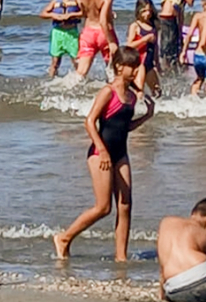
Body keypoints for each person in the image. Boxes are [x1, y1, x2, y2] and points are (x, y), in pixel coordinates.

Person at [54, 47, 154, 262]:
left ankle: (121, 256)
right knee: (103, 207)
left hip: (121, 153)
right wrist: (102, 150)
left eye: (137, 67)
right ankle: (64, 238)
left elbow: (123, 127)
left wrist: (146, 117)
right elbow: (89, 122)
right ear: (119, 66)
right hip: (100, 153)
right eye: (132, 67)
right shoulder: (108, 92)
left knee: (125, 205)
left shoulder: (131, 96)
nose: (136, 71)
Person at [76, 0, 118, 77]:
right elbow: (103, 21)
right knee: (113, 69)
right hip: (103, 33)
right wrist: (111, 42)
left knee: (81, 72)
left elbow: (85, 13)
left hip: (88, 33)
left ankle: (70, 91)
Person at [38, 0, 81, 78]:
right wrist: (53, 15)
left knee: (76, 60)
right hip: (58, 33)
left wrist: (71, 15)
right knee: (55, 61)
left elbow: (85, 12)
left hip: (72, 33)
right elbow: (43, 13)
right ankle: (51, 79)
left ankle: (80, 79)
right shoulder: (55, 1)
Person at [180, 0, 206, 96]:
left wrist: (183, 52)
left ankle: (192, 102)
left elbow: (189, 35)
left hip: (198, 55)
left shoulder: (198, 16)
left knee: (199, 79)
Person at [159, 0, 198, 69]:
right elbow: (190, 2)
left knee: (171, 43)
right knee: (168, 44)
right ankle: (167, 65)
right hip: (167, 18)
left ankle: (170, 64)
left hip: (170, 18)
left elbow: (184, 6)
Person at [126, 0, 161, 96]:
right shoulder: (135, 26)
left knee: (157, 92)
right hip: (139, 62)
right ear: (138, 11)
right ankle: (135, 109)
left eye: (149, 11)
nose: (147, 14)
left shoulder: (153, 26)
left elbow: (156, 46)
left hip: (149, 63)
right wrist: (144, 39)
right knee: (139, 90)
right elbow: (129, 45)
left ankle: (155, 109)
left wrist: (157, 62)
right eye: (144, 11)